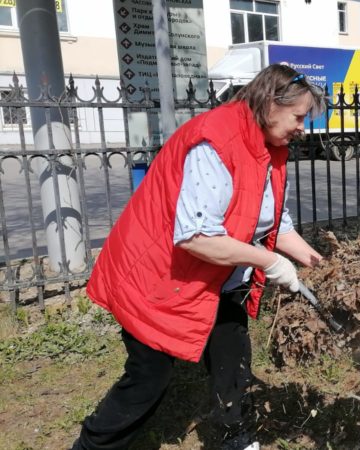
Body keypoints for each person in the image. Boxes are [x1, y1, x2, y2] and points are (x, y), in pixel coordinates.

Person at [71, 64, 326, 450]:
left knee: (233, 359)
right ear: (271, 102)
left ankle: (235, 438)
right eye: (299, 116)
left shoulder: (269, 148)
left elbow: (276, 221)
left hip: (218, 277)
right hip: (159, 278)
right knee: (148, 378)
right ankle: (93, 445)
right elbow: (196, 237)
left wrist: (319, 264)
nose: (302, 127)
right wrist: (268, 262)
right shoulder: (216, 141)